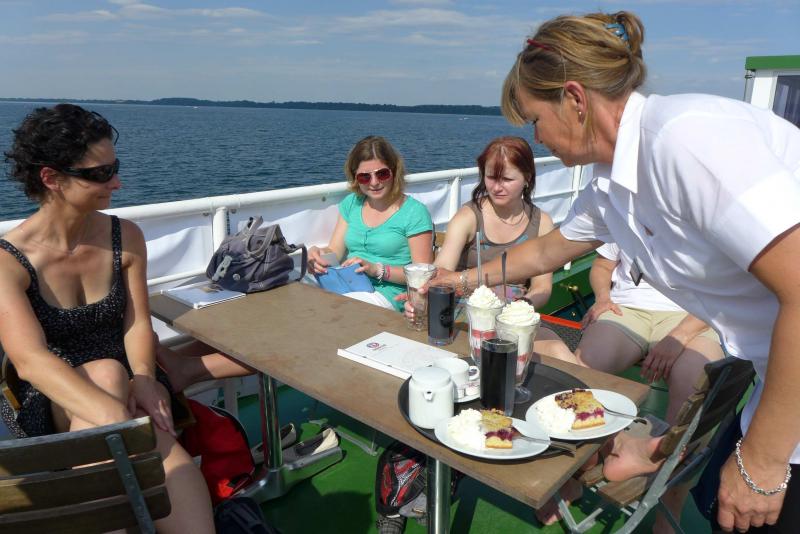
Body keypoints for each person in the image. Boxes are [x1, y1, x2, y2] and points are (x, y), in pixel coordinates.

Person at [433, 10, 800, 533]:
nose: (537, 137)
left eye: (535, 119)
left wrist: (762, 462)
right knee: (719, 508)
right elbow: (547, 251)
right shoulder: (614, 181)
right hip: (775, 376)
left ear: (575, 100)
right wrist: (458, 281)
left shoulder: (684, 140)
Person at [0, 104, 215, 533]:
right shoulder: (9, 261)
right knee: (105, 374)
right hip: (55, 394)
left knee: (112, 373)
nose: (116, 182)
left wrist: (145, 378)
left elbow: (136, 323)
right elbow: (31, 361)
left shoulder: (125, 236)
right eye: (100, 174)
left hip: (129, 380)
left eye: (114, 168)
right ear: (51, 178)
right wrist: (121, 419)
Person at [534, 241, 724, 526]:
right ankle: (574, 475)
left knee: (696, 390)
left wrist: (680, 336)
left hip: (694, 317)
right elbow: (602, 265)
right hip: (627, 309)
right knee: (582, 372)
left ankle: (668, 508)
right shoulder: (626, 214)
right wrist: (602, 298)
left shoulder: (712, 221)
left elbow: (724, 290)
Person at [407, 136, 573, 360]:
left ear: (527, 178)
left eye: (507, 179)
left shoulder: (541, 222)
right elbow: (443, 267)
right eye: (491, 177)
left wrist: (519, 310)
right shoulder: (469, 216)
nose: (497, 187)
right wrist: (421, 296)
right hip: (467, 311)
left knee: (559, 352)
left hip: (513, 315)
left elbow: (542, 287)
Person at [307, 136, 434, 311]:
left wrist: (376, 269)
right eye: (364, 177)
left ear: (394, 171)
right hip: (348, 284)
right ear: (355, 178)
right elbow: (335, 250)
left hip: (389, 294)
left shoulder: (414, 212)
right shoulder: (352, 203)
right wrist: (317, 254)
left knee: (328, 309)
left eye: (382, 174)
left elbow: (423, 275)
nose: (374, 182)